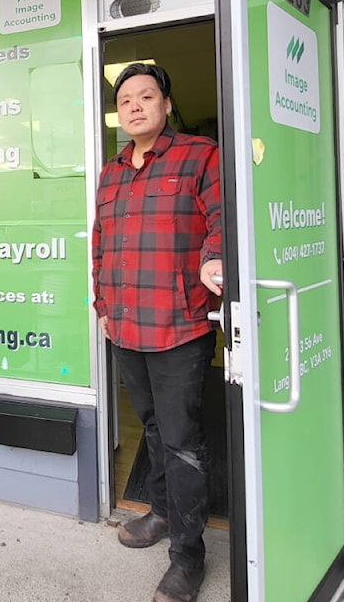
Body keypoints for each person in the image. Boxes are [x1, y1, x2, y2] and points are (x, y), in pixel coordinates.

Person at [92, 63, 222, 602]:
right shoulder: (111, 172)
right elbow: (100, 245)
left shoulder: (200, 155)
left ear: (166, 105)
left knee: (182, 442)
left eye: (146, 97)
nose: (135, 106)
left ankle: (188, 559)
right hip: (124, 325)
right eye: (125, 101)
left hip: (179, 326)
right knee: (150, 428)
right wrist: (101, 304)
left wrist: (214, 260)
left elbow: (223, 220)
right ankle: (163, 513)